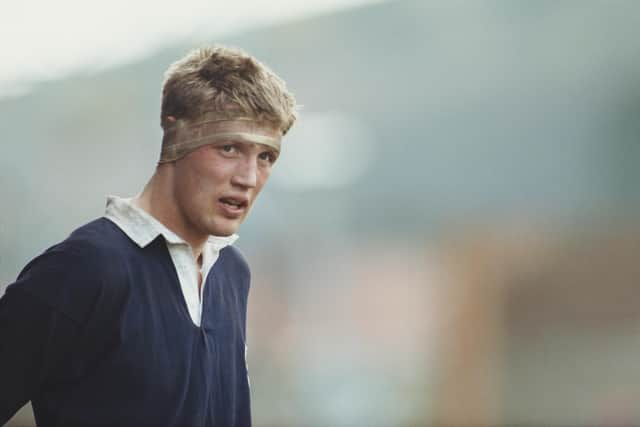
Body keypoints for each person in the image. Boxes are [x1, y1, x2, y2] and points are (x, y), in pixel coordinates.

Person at [0, 45, 297, 427]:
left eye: (265, 157)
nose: (248, 178)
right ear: (175, 135)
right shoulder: (84, 267)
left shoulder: (231, 273)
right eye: (229, 148)